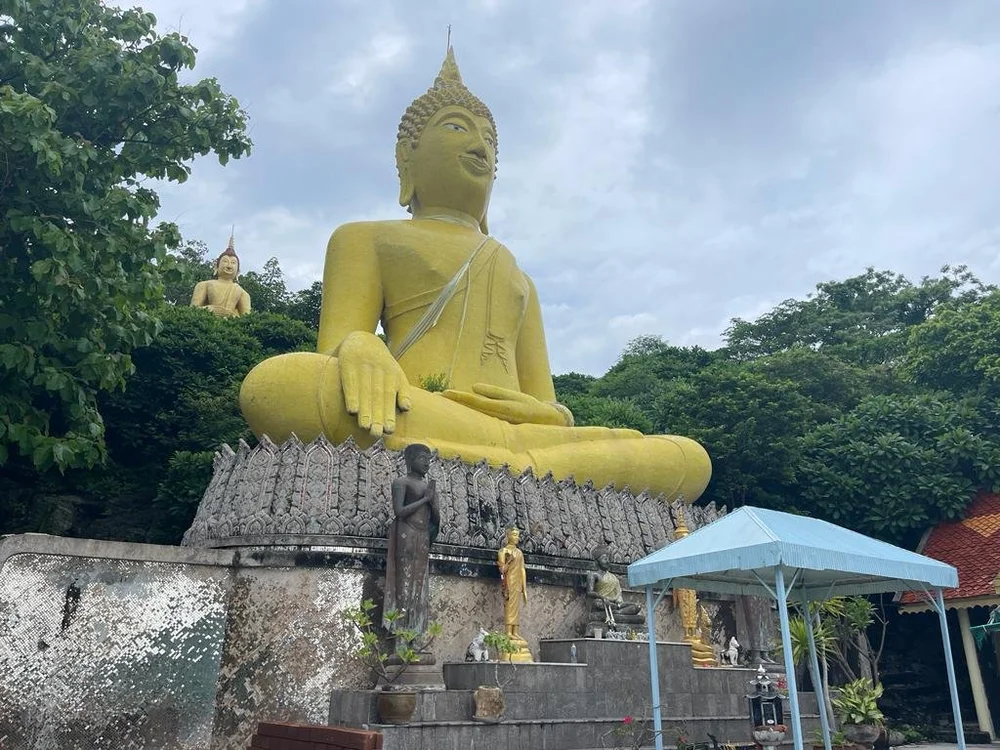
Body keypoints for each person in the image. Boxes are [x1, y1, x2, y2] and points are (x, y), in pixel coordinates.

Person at [238, 47, 711, 501]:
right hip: (421, 408)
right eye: (458, 127)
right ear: (408, 156)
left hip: (520, 435)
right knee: (278, 386)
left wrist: (552, 414)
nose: (479, 145)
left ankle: (511, 461)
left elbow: (548, 406)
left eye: (489, 139)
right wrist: (361, 344)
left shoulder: (519, 277)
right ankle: (530, 470)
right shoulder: (364, 238)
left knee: (689, 458)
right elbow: (337, 351)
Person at [383, 443, 439, 635]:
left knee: (419, 584)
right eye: (423, 458)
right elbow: (399, 511)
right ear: (410, 459)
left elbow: (435, 518)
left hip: (423, 536)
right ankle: (400, 634)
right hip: (406, 533)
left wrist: (433, 503)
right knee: (404, 582)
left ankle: (415, 633)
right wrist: (425, 499)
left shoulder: (427, 486)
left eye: (429, 459)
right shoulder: (401, 482)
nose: (427, 463)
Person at [190, 234, 251, 317]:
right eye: (225, 261)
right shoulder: (204, 285)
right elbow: (191, 312)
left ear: (238, 272)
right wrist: (211, 309)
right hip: (206, 323)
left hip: (230, 326)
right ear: (216, 267)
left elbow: (247, 320)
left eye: (233, 263)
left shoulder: (242, 293)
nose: (229, 266)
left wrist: (231, 315)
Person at [586, 545, 642, 626]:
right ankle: (616, 613)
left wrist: (618, 603)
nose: (608, 561)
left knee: (637, 606)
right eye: (605, 559)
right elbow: (589, 592)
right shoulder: (593, 575)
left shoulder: (613, 577)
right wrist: (602, 597)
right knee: (597, 603)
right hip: (603, 603)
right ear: (597, 562)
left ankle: (617, 613)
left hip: (616, 605)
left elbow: (618, 595)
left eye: (608, 559)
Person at [497, 527, 527, 640]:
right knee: (509, 606)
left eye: (517, 535)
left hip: (518, 583)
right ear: (508, 536)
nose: (516, 538)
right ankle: (508, 632)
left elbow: (522, 569)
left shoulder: (519, 553)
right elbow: (502, 570)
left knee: (516, 607)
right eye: (514, 535)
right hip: (509, 582)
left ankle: (515, 631)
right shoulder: (503, 551)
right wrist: (509, 561)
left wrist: (524, 588)